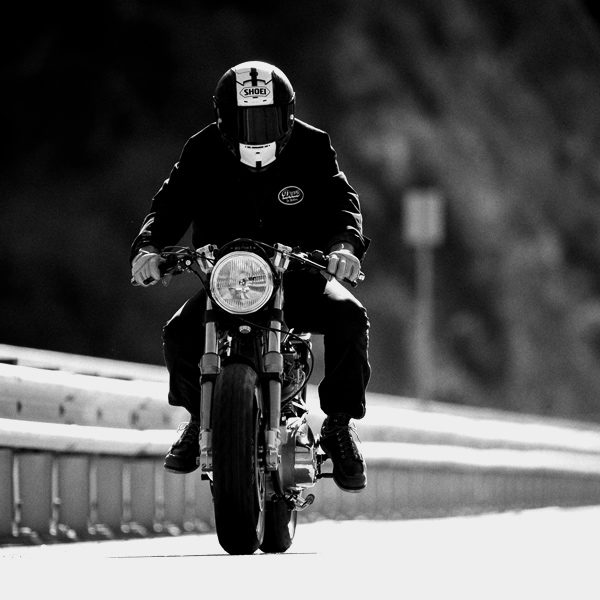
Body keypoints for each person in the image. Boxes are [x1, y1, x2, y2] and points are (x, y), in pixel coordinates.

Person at [130, 60, 371, 492]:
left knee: (350, 317)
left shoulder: (313, 146)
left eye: (267, 118)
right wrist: (148, 248)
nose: (256, 131)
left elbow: (341, 201)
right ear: (223, 119)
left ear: (288, 116)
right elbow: (169, 204)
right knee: (178, 335)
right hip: (227, 283)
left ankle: (338, 424)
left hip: (298, 276)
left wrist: (344, 247)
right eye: (244, 120)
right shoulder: (201, 150)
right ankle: (198, 419)